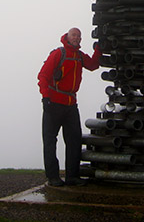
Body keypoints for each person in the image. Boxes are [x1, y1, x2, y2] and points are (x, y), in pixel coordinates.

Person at [37, 27, 102, 187]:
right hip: (53, 103)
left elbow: (93, 65)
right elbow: (43, 75)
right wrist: (45, 97)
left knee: (74, 141)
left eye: (79, 36)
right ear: (67, 36)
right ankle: (53, 177)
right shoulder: (58, 53)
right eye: (74, 35)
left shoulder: (79, 56)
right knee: (50, 140)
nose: (77, 38)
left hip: (71, 105)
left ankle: (72, 176)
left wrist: (99, 48)